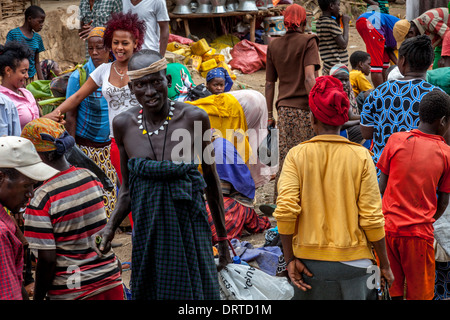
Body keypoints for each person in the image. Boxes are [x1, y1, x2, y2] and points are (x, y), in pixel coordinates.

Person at [93, 49, 232, 300]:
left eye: (156, 82)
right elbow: (126, 190)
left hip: (189, 225)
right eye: (140, 85)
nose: (149, 92)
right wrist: (110, 227)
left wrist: (222, 238)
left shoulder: (194, 117)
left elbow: (211, 180)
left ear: (167, 82)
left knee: (195, 293)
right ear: (131, 88)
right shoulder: (123, 124)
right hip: (148, 228)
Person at [273, 75, 394, 300]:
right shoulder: (361, 156)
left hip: (308, 264)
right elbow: (372, 217)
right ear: (343, 120)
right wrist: (384, 265)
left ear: (312, 119)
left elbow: (286, 211)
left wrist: (289, 259)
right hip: (357, 265)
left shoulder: (296, 155)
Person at [22, 118, 123, 300]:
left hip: (73, 290)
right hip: (110, 280)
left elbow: (47, 259)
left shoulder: (42, 199)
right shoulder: (90, 177)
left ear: (38, 156)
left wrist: (38, 297)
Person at [45, 12, 146, 187]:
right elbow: (77, 97)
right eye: (115, 43)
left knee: (144, 187)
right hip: (116, 142)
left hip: (142, 138)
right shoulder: (103, 71)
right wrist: (53, 114)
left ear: (135, 43)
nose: (119, 48)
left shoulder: (142, 69)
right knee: (124, 189)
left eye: (125, 43)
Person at [377, 90, 450, 300]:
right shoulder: (446, 153)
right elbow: (443, 201)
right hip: (418, 235)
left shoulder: (396, 140)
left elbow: (382, 187)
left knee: (393, 290)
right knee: (420, 294)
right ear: (443, 121)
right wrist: (426, 220)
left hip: (387, 230)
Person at [360, 35, 439, 175]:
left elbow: (366, 133)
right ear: (430, 62)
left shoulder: (377, 93)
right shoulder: (438, 96)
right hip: (422, 176)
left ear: (402, 61)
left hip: (382, 174)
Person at [265, 3, 320, 202]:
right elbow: (309, 78)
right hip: (305, 110)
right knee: (306, 160)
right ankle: (306, 203)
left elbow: (270, 84)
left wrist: (270, 115)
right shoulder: (309, 41)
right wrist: (317, 108)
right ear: (304, 21)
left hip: (284, 111)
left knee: (287, 159)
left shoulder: (273, 45)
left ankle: (282, 202)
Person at [64, 27, 118, 219]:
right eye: (90, 48)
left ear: (109, 48)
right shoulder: (79, 77)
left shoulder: (117, 73)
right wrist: (71, 152)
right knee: (88, 194)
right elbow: (70, 115)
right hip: (85, 148)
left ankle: (105, 239)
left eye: (99, 47)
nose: (95, 52)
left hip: (109, 146)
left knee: (110, 193)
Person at [0, 135, 59, 300]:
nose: (31, 194)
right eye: (26, 185)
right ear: (0, 178)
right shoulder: (2, 234)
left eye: (33, 185)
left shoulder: (7, 223)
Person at [206, 134, 271, 242]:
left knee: (212, 212)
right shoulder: (218, 145)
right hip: (238, 198)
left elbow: (221, 192)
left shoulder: (219, 152)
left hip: (234, 199)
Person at [0, 41, 40, 130]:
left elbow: (36, 122)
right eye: (23, 72)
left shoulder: (26, 93)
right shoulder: (2, 100)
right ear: (8, 71)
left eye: (27, 71)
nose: (27, 76)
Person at [356, 9, 400, 88]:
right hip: (370, 23)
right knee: (377, 66)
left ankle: (385, 90)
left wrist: (398, 64)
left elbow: (389, 49)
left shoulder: (401, 33)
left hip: (368, 22)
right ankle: (380, 95)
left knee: (385, 62)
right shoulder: (405, 32)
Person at [6, 5, 46, 81]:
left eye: (42, 22)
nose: (42, 25)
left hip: (30, 77)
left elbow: (36, 63)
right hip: (16, 78)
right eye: (40, 22)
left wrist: (42, 82)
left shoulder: (37, 38)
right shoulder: (13, 34)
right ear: (29, 19)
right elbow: (8, 57)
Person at [316, 0, 350, 75]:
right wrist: (346, 24)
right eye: (338, 5)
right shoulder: (330, 23)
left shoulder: (319, 22)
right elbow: (343, 44)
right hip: (338, 67)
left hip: (328, 66)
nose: (339, 8)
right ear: (331, 6)